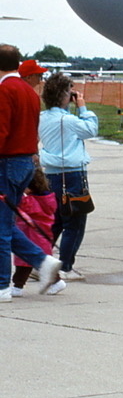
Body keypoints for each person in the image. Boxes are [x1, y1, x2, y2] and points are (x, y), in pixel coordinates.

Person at [0, 44, 61, 301]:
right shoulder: (28, 91)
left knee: (1, 229)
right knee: (4, 223)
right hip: (25, 162)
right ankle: (43, 262)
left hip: (7, 163)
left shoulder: (5, 90)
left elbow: (1, 131)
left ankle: (3, 284)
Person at [39, 73, 99, 280]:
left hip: (51, 175)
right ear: (66, 95)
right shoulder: (68, 120)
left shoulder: (42, 117)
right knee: (74, 222)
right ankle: (65, 267)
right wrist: (82, 106)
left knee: (54, 221)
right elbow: (91, 129)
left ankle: (42, 263)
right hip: (72, 174)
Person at [10, 165, 65, 296]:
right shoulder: (47, 199)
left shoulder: (30, 201)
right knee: (36, 264)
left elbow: (17, 207)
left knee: (25, 264)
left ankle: (18, 287)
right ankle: (55, 282)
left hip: (31, 237)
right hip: (40, 238)